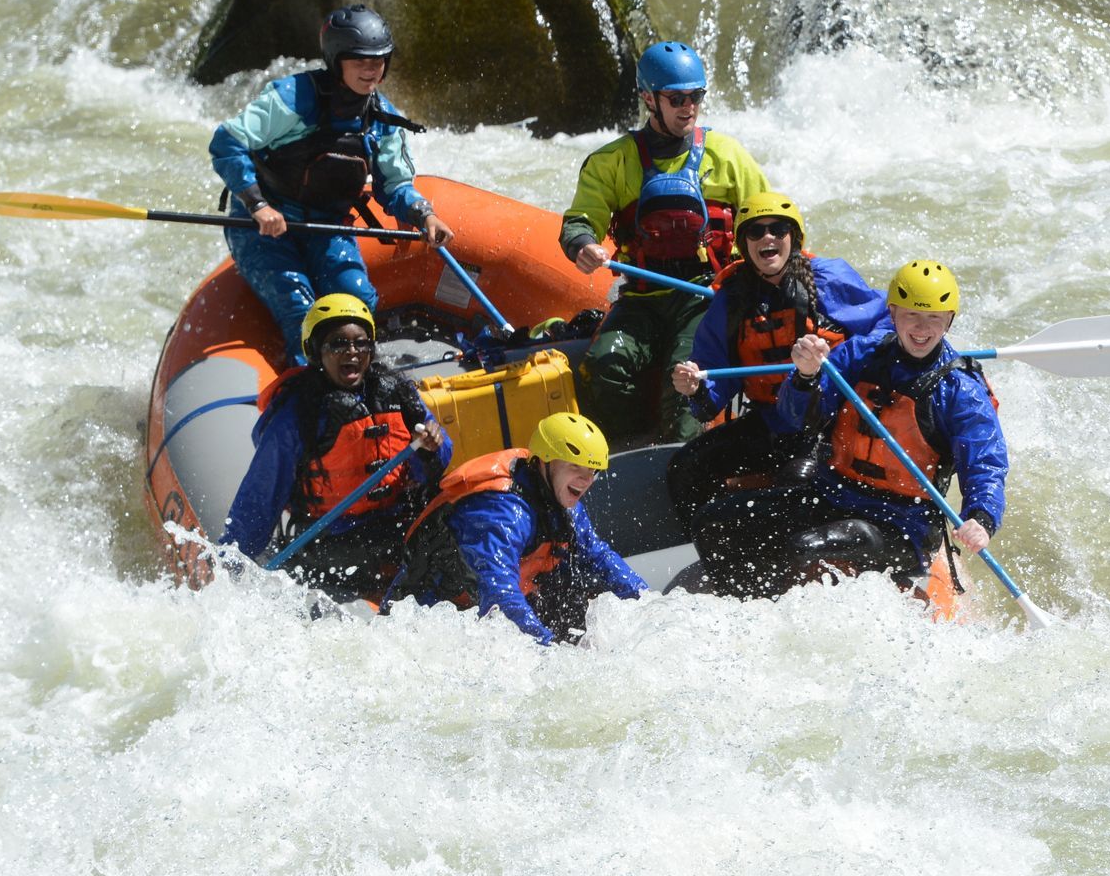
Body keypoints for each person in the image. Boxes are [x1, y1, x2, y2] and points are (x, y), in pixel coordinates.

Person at [691, 260, 1006, 602]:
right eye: (912, 315)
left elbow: (985, 462)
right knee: (713, 521)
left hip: (904, 522)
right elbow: (797, 418)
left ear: (949, 321)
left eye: (934, 317)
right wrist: (806, 377)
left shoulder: (960, 390)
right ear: (893, 313)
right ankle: (744, 605)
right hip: (835, 495)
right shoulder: (861, 354)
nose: (922, 328)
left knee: (806, 547)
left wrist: (981, 517)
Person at [210, 3, 454, 366]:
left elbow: (394, 185)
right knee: (299, 306)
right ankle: (310, 391)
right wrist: (258, 204)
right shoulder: (293, 98)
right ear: (337, 60)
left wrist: (425, 216)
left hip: (327, 225)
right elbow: (227, 142)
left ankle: (365, 386)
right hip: (265, 227)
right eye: (359, 61)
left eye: (379, 60)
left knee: (358, 301)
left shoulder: (383, 119)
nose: (371, 70)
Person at [558, 40, 769, 445]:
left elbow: (769, 220)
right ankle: (629, 448)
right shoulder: (613, 162)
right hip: (640, 297)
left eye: (696, 96)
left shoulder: (728, 155)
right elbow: (580, 220)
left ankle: (683, 460)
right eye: (676, 98)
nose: (688, 106)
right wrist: (582, 242)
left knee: (685, 378)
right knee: (603, 367)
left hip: (705, 295)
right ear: (648, 99)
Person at [665, 192, 889, 525]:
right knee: (686, 469)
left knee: (798, 482)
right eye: (756, 232)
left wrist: (840, 357)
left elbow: (888, 324)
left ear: (793, 238)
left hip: (829, 425)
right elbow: (712, 393)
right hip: (771, 422)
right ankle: (708, 551)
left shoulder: (828, 279)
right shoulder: (731, 302)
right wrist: (695, 387)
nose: (767, 238)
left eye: (778, 230)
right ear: (744, 243)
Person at [220, 294, 452, 600]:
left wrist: (432, 448)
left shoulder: (396, 392)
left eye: (361, 344)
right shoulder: (296, 417)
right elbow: (260, 498)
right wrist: (230, 570)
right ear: (317, 352)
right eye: (338, 344)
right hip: (333, 542)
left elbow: (438, 460)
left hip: (397, 524)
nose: (352, 353)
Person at [387, 412, 647, 644]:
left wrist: (648, 603)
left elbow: (599, 556)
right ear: (545, 462)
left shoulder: (560, 501)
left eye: (593, 471)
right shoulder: (502, 512)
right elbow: (499, 592)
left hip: (485, 608)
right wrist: (546, 649)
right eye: (574, 467)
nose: (586, 480)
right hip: (428, 622)